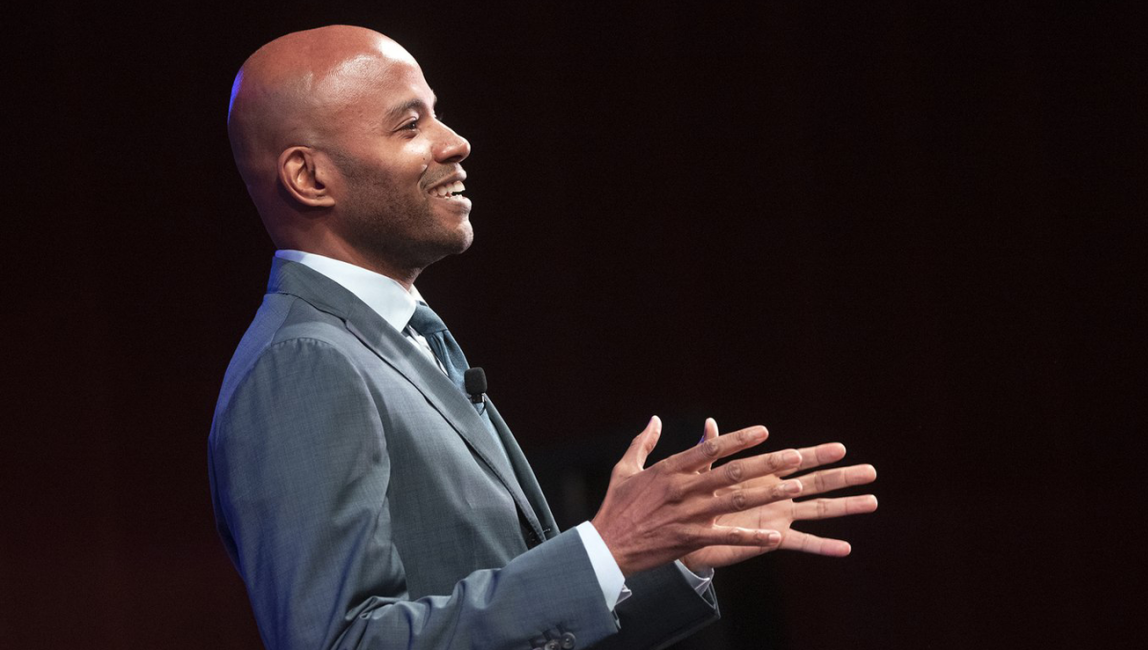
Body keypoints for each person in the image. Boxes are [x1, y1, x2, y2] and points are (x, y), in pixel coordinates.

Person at [209, 25, 877, 650]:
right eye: (410, 124)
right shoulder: (305, 363)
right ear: (309, 177)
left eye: (436, 113)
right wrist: (604, 550)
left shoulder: (396, 341)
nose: (454, 142)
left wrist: (662, 559)